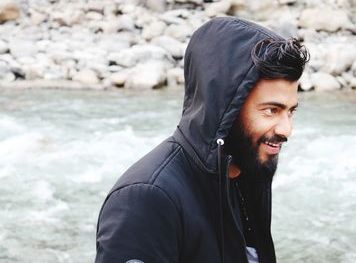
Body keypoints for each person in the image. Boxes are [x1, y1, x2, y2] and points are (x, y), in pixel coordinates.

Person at [95, 16, 309, 263]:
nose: (287, 129)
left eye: (291, 111)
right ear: (226, 108)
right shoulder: (145, 200)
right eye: (271, 110)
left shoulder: (245, 173)